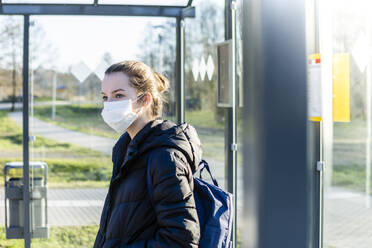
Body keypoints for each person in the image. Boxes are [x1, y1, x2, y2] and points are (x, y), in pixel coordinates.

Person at [93, 60, 201, 248]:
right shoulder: (126, 150)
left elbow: (181, 239)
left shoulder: (165, 157)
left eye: (118, 95)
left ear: (145, 100)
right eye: (105, 97)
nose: (109, 105)